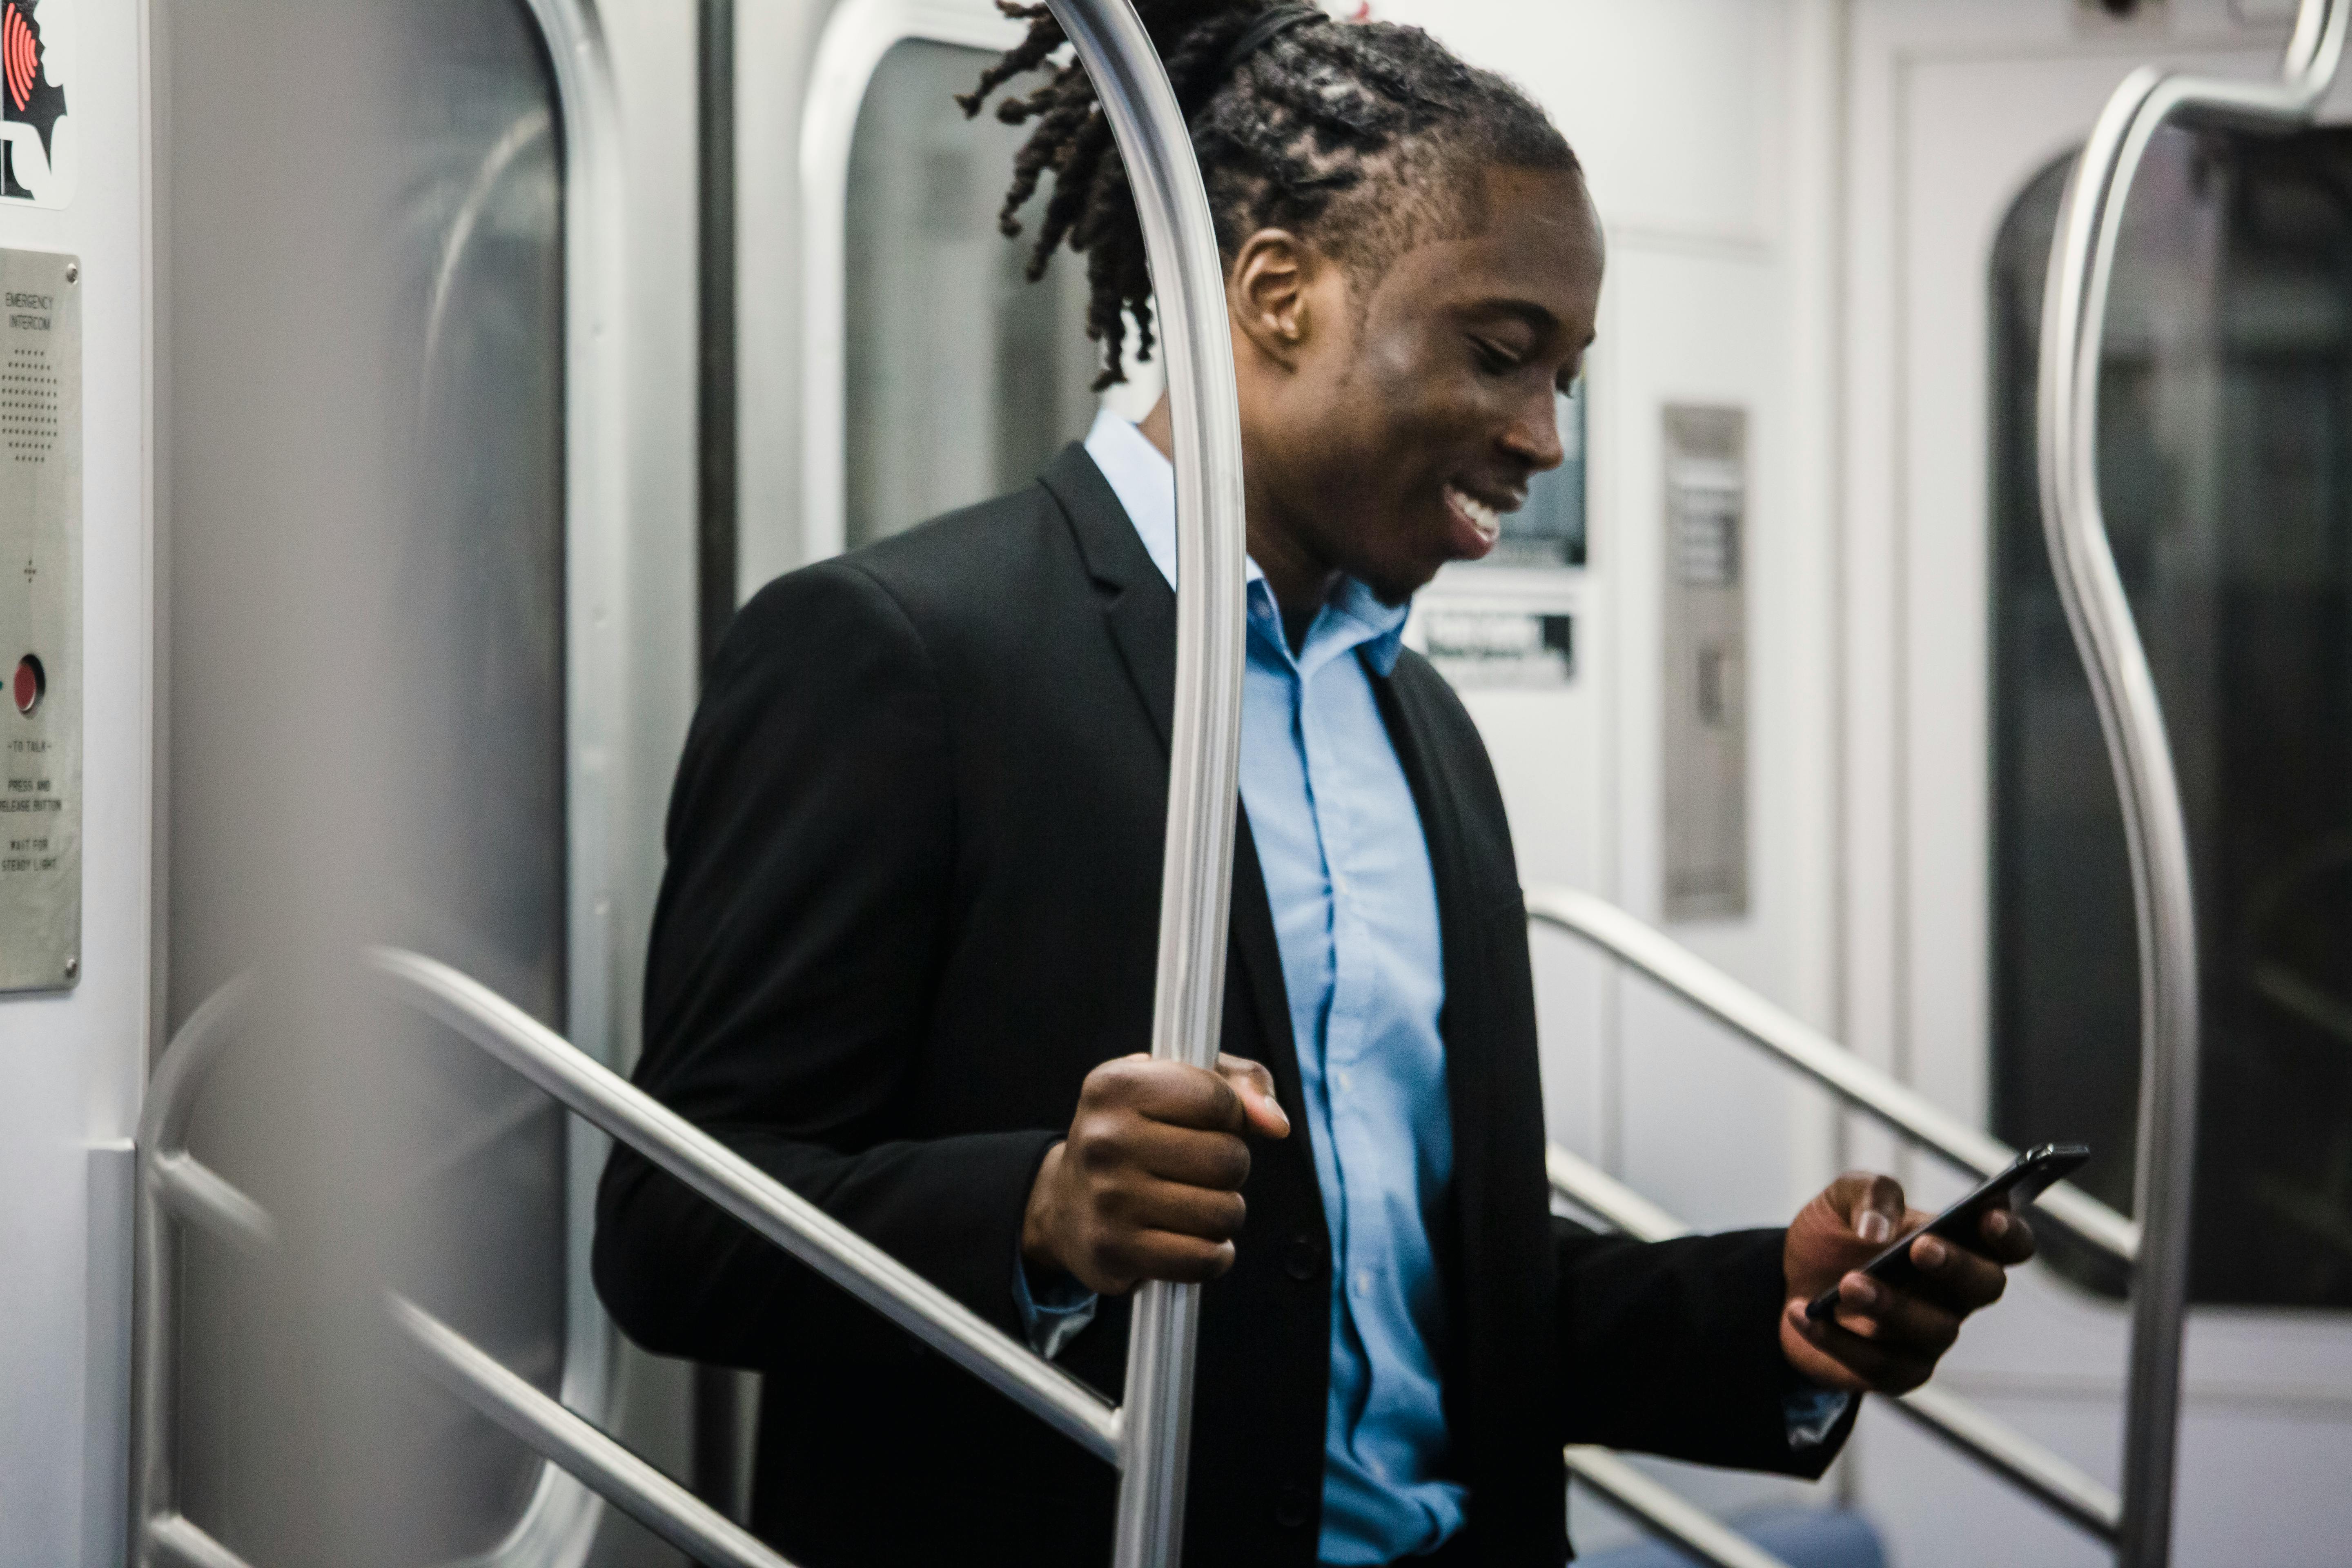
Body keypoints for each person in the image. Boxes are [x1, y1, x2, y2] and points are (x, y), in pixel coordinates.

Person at [592, 4, 2035, 1564]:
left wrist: (1767, 1312)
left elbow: (1401, 1286)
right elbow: (678, 1235)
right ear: (1278, 296)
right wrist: (1037, 1213)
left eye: (1567, 372)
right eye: (1501, 354)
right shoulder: (899, 657)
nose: (1547, 435)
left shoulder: (1415, 723)